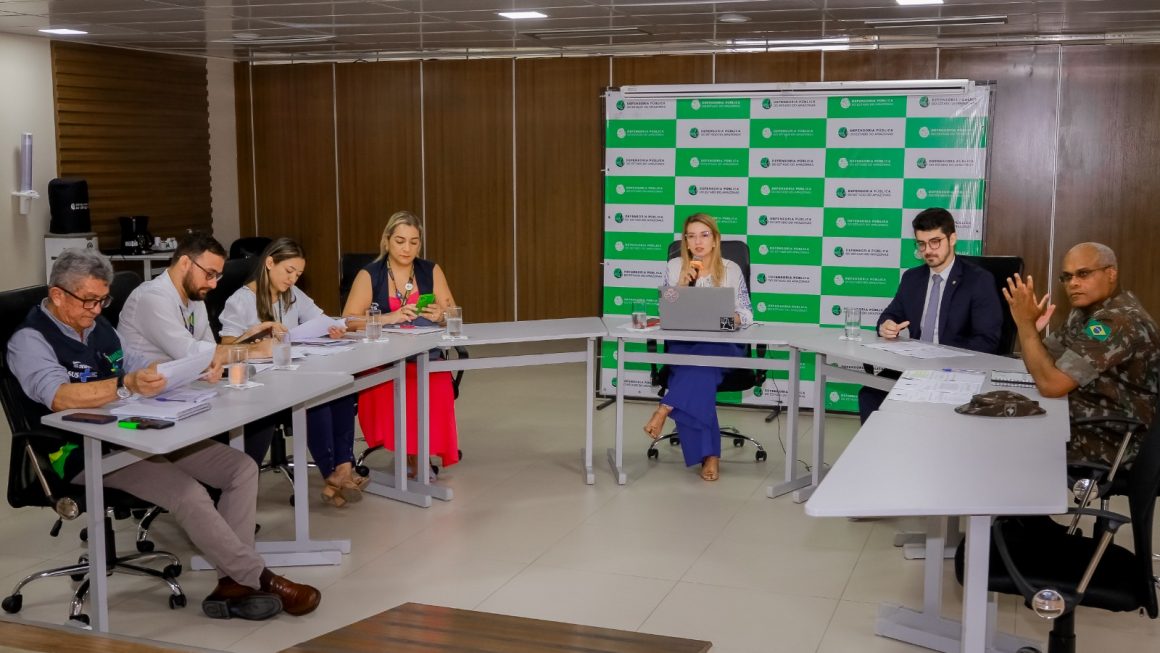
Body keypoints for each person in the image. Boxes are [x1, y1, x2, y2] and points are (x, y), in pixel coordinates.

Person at [6, 249, 321, 621]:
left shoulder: (97, 326)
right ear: (58, 295)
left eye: (102, 299)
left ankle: (233, 583)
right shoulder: (29, 340)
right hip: (79, 450)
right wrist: (125, 386)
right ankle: (260, 578)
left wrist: (180, 370)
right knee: (188, 493)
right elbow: (59, 396)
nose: (96, 309)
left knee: (240, 468)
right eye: (89, 300)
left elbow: (133, 365)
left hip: (135, 431)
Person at [218, 237, 364, 507]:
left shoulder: (292, 294)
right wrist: (256, 337)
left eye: (298, 274)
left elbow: (319, 319)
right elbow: (226, 348)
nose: (293, 279)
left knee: (341, 390)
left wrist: (331, 327)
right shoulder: (240, 300)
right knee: (315, 400)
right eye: (289, 272)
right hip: (263, 384)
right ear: (270, 263)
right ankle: (333, 473)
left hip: (291, 372)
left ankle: (343, 469)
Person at [116, 232, 281, 467]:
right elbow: (195, 354)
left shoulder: (195, 298)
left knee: (261, 412)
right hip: (147, 401)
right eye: (209, 274)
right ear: (185, 263)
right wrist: (255, 351)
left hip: (182, 391)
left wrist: (232, 350)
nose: (213, 284)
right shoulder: (152, 297)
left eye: (217, 276)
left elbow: (209, 353)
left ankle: (231, 487)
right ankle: (223, 487)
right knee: (250, 418)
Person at [1005, 242, 1160, 466]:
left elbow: (1050, 384)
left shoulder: (1115, 321)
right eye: (1067, 277)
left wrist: (1025, 325)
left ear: (1111, 273)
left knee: (1011, 433)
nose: (1073, 283)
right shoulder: (1086, 313)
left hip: (1117, 439)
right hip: (1090, 419)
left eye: (1083, 274)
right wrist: (1031, 331)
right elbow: (1043, 362)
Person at [857, 207, 1003, 422]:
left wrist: (943, 358)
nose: (928, 251)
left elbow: (987, 340)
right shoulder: (912, 278)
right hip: (913, 367)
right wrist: (887, 325)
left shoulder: (978, 281)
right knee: (870, 394)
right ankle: (885, 453)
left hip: (956, 370)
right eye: (921, 244)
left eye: (935, 242)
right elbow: (890, 314)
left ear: (952, 239)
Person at [342, 210, 459, 477]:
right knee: (404, 383)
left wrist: (441, 315)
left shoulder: (430, 270)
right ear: (386, 241)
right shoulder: (370, 274)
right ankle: (413, 455)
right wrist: (388, 317)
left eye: (414, 242)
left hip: (425, 354)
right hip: (383, 360)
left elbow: (453, 312)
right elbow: (348, 321)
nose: (407, 248)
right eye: (400, 241)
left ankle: (419, 454)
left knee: (435, 382)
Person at [641, 213, 753, 481]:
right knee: (699, 370)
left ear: (715, 240)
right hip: (685, 344)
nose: (698, 241)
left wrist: (724, 321)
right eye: (691, 236)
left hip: (722, 344)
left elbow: (747, 315)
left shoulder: (730, 269)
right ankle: (710, 456)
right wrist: (682, 286)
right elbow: (665, 312)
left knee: (698, 368)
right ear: (686, 242)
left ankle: (666, 406)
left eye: (704, 235)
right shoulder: (675, 267)